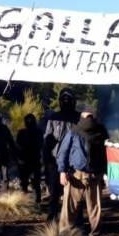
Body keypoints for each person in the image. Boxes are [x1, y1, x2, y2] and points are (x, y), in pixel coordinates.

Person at [57, 106, 108, 236]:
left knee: (95, 212)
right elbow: (63, 153)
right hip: (75, 176)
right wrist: (62, 171)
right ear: (82, 117)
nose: (88, 120)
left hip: (94, 177)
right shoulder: (73, 131)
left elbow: (106, 154)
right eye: (86, 117)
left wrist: (105, 173)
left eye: (90, 117)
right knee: (69, 210)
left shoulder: (101, 132)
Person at [43, 88, 80, 221]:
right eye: (63, 99)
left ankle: (76, 221)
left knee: (76, 195)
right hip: (55, 161)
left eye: (68, 99)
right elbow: (47, 138)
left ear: (73, 101)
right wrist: (46, 159)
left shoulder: (78, 118)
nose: (65, 101)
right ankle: (52, 220)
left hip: (74, 162)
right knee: (54, 194)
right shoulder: (53, 118)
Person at [16, 113, 42, 202]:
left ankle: (29, 201)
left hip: (28, 161)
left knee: (27, 182)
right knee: (32, 182)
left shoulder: (22, 132)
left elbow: (17, 147)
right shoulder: (38, 132)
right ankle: (34, 201)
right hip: (30, 160)